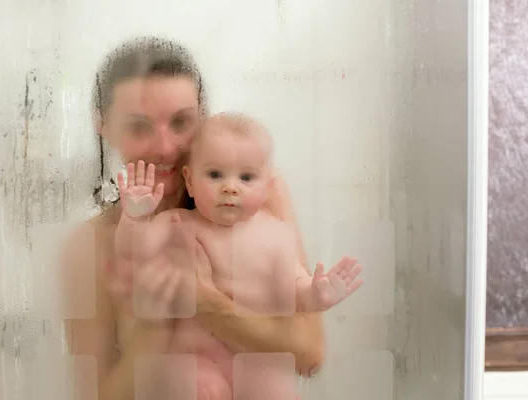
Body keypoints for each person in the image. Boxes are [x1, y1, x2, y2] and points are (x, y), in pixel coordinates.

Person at [60, 36, 327, 400]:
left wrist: (201, 299)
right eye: (139, 126)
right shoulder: (90, 245)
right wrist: (152, 333)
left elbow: (309, 355)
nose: (166, 147)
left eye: (181, 122)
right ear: (102, 125)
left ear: (202, 115)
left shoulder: (256, 199)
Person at [112, 112, 364, 399]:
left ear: (267, 185)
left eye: (246, 177)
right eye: (215, 174)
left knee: (278, 391)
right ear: (190, 180)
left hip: (257, 357)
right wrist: (135, 219)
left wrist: (317, 294)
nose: (230, 187)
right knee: (199, 387)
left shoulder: (275, 233)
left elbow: (295, 287)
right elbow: (134, 251)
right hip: (197, 357)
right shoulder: (178, 223)